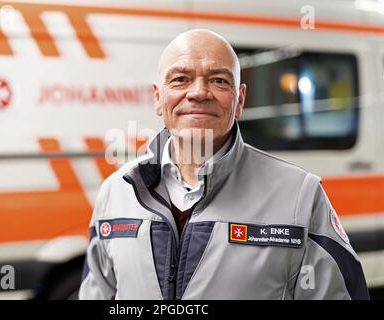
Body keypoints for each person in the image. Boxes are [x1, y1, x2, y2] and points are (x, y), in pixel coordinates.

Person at [78, 29, 369, 300]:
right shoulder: (116, 193)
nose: (198, 92)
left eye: (218, 80)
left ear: (239, 99)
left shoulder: (300, 195)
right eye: (180, 79)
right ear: (158, 98)